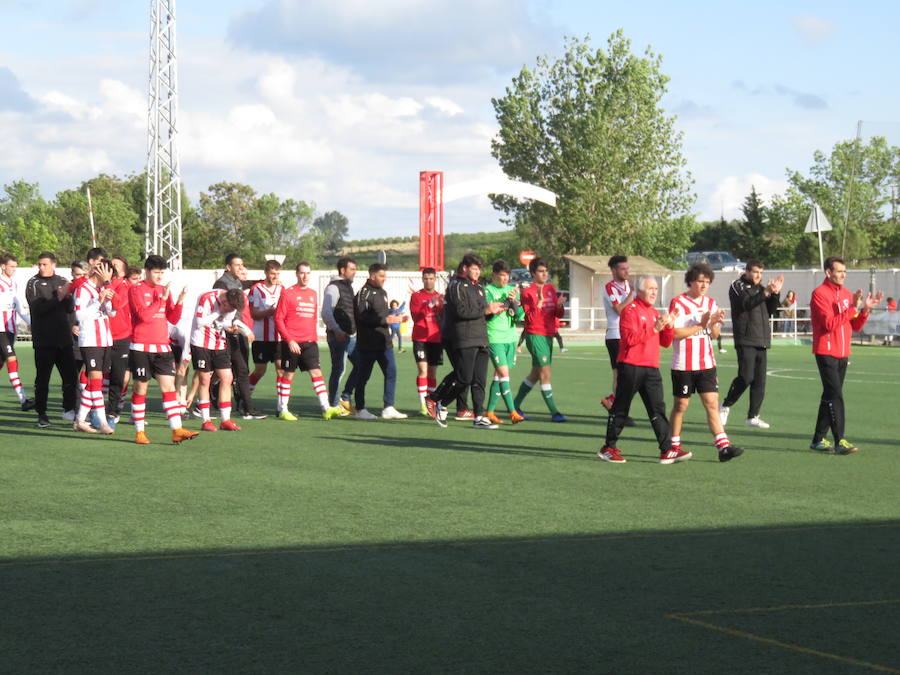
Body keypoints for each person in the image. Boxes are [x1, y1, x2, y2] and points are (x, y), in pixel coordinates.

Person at [597, 276, 683, 464]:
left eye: (656, 289)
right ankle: (608, 448)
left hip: (651, 368)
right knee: (621, 408)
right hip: (631, 366)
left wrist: (669, 325)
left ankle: (667, 450)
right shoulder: (630, 311)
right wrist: (655, 328)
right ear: (639, 290)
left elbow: (666, 342)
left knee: (657, 409)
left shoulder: (653, 312)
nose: (654, 292)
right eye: (651, 288)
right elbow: (629, 340)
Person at [668, 263, 743, 462]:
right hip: (683, 363)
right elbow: (674, 333)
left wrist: (713, 323)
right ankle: (673, 445)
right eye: (700, 281)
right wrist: (700, 325)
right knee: (681, 405)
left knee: (711, 403)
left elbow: (714, 334)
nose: (703, 285)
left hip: (706, 363)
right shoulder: (678, 302)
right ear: (691, 281)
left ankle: (723, 447)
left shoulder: (711, 303)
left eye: (707, 282)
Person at [808, 256, 881, 454]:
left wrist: (864, 310)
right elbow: (829, 324)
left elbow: (854, 325)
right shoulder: (819, 294)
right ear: (828, 273)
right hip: (825, 351)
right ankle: (840, 440)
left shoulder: (848, 295)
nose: (843, 275)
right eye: (839, 271)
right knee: (836, 396)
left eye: (844, 271)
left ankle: (817, 440)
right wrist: (853, 309)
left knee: (829, 395)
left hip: (842, 353)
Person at [128, 255, 199, 445]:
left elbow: (173, 319)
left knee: (168, 387)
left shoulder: (163, 290)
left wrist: (180, 302)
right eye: (156, 272)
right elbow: (144, 316)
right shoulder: (136, 290)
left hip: (162, 347)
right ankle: (139, 432)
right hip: (141, 346)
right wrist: (162, 300)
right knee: (140, 387)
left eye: (162, 272)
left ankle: (177, 430)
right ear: (147, 271)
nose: (159, 276)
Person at [426, 254, 503, 429]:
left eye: (479, 269)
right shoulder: (457, 286)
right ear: (465, 268)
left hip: (481, 338)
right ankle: (440, 402)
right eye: (474, 268)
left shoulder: (480, 288)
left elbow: (481, 315)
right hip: (464, 338)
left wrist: (493, 311)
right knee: (464, 378)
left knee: (479, 381)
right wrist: (485, 309)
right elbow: (462, 311)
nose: (477, 272)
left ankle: (479, 416)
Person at [272, 262, 344, 421]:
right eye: (302, 273)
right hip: (292, 343)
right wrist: (289, 340)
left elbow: (311, 319)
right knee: (288, 375)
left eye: (308, 273)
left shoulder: (312, 293)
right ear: (297, 274)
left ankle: (326, 408)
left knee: (317, 373)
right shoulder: (288, 293)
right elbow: (278, 319)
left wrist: (314, 337)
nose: (305, 276)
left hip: (310, 342)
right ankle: (283, 409)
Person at [719, 260, 783, 430]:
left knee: (760, 381)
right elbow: (747, 304)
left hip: (761, 339)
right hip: (745, 338)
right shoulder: (737, 286)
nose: (758, 276)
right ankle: (725, 405)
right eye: (755, 272)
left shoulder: (762, 289)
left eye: (761, 273)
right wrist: (767, 292)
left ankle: (753, 416)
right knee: (746, 377)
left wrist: (775, 293)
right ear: (747, 271)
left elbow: (770, 310)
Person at [25, 252, 77, 427]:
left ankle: (69, 410)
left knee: (70, 379)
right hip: (44, 342)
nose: (41, 267)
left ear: (53, 264)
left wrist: (67, 298)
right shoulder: (33, 283)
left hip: (64, 340)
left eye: (45, 264)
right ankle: (42, 414)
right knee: (42, 381)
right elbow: (38, 309)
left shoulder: (62, 281)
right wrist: (59, 297)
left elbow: (70, 309)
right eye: (39, 264)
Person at [349, 263, 407, 420]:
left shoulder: (383, 292)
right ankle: (360, 409)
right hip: (368, 344)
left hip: (384, 343)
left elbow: (383, 314)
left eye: (385, 276)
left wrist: (396, 317)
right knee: (363, 377)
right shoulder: (363, 293)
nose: (384, 279)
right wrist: (385, 319)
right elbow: (361, 317)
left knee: (391, 372)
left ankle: (388, 407)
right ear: (372, 276)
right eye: (381, 276)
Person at [513, 257, 567, 422]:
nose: (544, 274)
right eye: (541, 271)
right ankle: (554, 412)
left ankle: (514, 406)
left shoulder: (551, 289)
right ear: (533, 274)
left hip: (548, 335)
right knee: (545, 373)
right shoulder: (528, 292)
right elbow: (529, 317)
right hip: (535, 335)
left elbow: (557, 315)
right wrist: (540, 302)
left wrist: (559, 306)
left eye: (546, 271)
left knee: (535, 374)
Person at [213, 253, 265, 419]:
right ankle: (246, 408)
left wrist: (265, 281)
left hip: (239, 331)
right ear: (228, 267)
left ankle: (241, 405)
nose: (241, 268)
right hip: (230, 332)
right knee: (237, 370)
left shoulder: (236, 282)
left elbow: (246, 283)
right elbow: (221, 309)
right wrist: (237, 328)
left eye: (242, 265)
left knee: (237, 371)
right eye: (237, 265)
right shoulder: (221, 283)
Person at [190, 287, 250, 432]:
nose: (230, 311)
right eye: (229, 307)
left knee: (227, 378)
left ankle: (225, 419)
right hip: (200, 343)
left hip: (219, 343)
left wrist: (233, 328)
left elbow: (224, 323)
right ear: (224, 301)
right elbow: (199, 322)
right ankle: (206, 420)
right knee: (205, 379)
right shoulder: (207, 298)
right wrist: (218, 312)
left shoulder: (232, 303)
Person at [72, 258, 115, 434]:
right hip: (90, 340)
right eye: (107, 271)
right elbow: (80, 316)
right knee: (96, 383)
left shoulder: (101, 289)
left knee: (94, 384)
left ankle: (80, 420)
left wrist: (106, 299)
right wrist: (98, 300)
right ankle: (103, 422)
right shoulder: (83, 289)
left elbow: (112, 312)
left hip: (105, 340)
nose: (109, 275)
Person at [483, 260, 525, 425]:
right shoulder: (488, 291)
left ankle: (490, 411)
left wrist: (514, 302)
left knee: (498, 376)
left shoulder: (513, 291)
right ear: (494, 275)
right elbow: (490, 311)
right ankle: (512, 411)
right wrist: (507, 302)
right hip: (495, 338)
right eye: (502, 275)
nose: (505, 278)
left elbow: (520, 316)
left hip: (510, 339)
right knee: (504, 375)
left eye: (507, 275)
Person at [321, 257, 358, 412]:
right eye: (352, 269)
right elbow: (326, 312)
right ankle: (334, 404)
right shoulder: (333, 288)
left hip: (351, 336)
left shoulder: (348, 287)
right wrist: (336, 330)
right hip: (338, 336)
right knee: (339, 369)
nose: (354, 272)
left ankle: (345, 397)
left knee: (361, 365)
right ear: (343, 270)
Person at [0, 253, 34, 410]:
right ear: (3, 266)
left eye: (15, 266)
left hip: (11, 329)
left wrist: (31, 323)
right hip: (1, 330)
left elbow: (19, 307)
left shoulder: (13, 284)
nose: (14, 269)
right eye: (11, 266)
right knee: (12, 360)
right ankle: (23, 400)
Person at [247, 259, 284, 400]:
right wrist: (271, 311)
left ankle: (282, 405)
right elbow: (254, 314)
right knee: (260, 371)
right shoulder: (256, 289)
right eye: (272, 273)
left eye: (278, 274)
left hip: (278, 338)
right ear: (266, 272)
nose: (275, 277)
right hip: (261, 337)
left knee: (281, 370)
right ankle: (245, 397)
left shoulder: (282, 288)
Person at [409, 267, 443, 416]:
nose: (428, 281)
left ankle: (432, 402)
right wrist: (429, 305)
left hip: (436, 338)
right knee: (423, 370)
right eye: (426, 278)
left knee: (432, 373)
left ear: (435, 279)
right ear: (422, 279)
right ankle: (423, 403)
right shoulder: (416, 296)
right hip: (420, 338)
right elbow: (416, 317)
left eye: (431, 278)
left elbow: (443, 318)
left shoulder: (440, 297)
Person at [601, 255, 633, 412]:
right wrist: (632, 294)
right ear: (614, 270)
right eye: (623, 269)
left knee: (629, 375)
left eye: (628, 268)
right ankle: (618, 408)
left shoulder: (629, 286)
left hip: (629, 335)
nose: (627, 271)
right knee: (620, 374)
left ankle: (613, 400)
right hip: (615, 335)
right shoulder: (610, 287)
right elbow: (619, 310)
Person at [106, 255, 133, 422]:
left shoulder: (125, 286)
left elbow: (117, 304)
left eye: (115, 265)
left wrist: (108, 284)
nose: (111, 266)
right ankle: (92, 408)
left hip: (121, 336)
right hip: (101, 335)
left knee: (118, 376)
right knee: (95, 374)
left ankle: (113, 409)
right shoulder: (100, 283)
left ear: (122, 271)